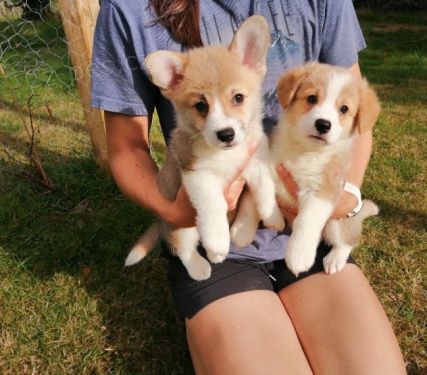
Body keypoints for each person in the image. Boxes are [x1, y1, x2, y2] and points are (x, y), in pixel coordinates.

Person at [91, 0, 407, 373]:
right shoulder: (130, 8)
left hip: (307, 229)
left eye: (237, 99)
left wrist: (347, 196)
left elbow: (354, 111)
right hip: (219, 249)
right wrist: (179, 213)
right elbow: (126, 147)